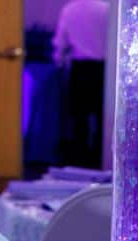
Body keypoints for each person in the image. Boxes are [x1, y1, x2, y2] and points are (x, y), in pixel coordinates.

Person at [53, 0, 109, 166]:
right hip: (103, 69)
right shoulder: (106, 10)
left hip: (81, 70)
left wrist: (58, 61)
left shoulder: (70, 10)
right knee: (103, 118)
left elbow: (60, 42)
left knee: (79, 120)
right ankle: (100, 161)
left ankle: (80, 162)